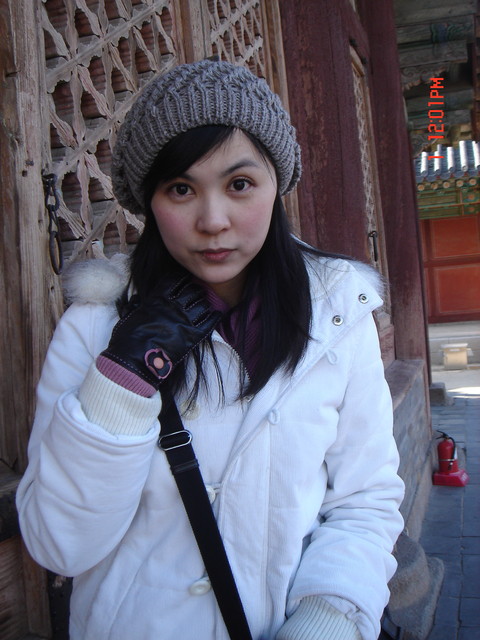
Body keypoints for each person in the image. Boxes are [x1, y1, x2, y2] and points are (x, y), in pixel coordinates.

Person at [16, 59, 404, 640]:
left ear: (277, 184)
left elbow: (365, 498)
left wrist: (329, 616)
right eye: (181, 189)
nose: (213, 220)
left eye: (239, 184)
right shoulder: (96, 326)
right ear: (150, 201)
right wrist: (123, 380)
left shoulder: (338, 316)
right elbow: (57, 546)